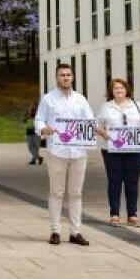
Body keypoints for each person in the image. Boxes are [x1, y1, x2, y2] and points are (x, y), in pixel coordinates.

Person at [35, 63, 94, 246]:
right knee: (57, 192)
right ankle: (55, 231)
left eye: (68, 75)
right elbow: (39, 119)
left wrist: (97, 129)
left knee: (76, 193)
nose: (66, 78)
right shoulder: (48, 99)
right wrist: (43, 128)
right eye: (62, 75)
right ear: (57, 77)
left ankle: (75, 232)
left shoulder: (80, 99)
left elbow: (89, 121)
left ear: (73, 77)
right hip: (57, 151)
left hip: (78, 152)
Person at [96, 78, 140, 228]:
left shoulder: (136, 105)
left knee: (132, 181)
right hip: (112, 149)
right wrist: (106, 135)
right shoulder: (106, 106)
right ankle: (114, 214)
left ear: (127, 90)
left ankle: (132, 214)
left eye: (121, 88)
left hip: (133, 149)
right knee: (114, 181)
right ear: (111, 91)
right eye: (115, 88)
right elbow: (98, 125)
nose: (119, 91)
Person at [24, 101, 41, 166]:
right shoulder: (28, 113)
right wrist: (27, 117)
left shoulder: (39, 113)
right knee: (30, 147)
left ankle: (34, 160)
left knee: (36, 147)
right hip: (29, 132)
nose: (34, 107)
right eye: (33, 106)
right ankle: (38, 157)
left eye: (35, 106)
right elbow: (24, 120)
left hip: (37, 132)